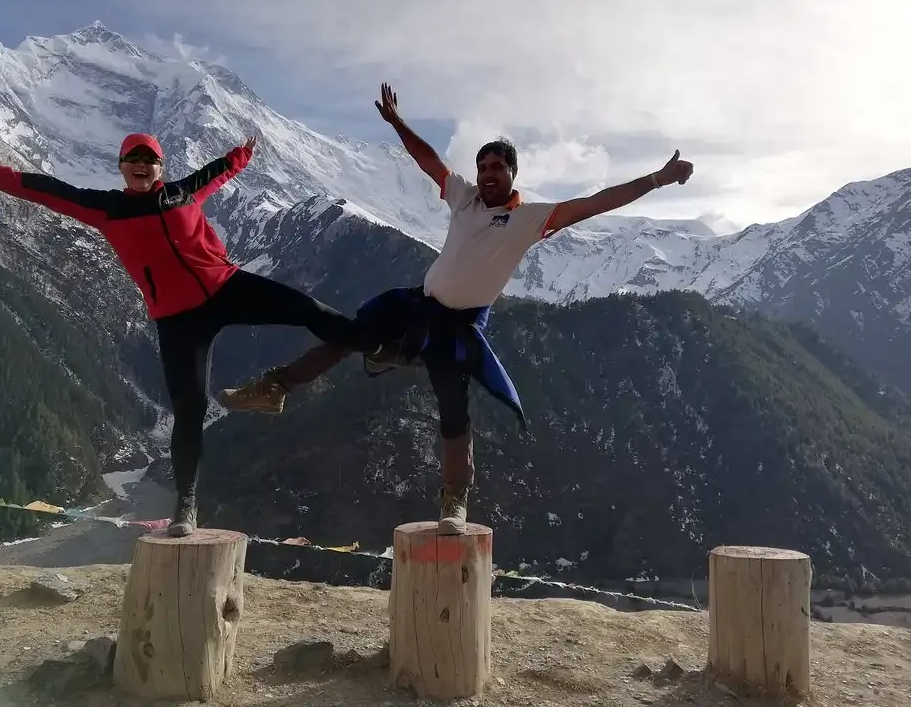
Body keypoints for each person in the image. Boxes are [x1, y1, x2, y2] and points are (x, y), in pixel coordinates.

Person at [216, 82, 695, 535]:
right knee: (346, 334)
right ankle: (277, 387)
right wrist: (398, 124)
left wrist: (657, 178)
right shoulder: (464, 198)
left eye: (497, 168)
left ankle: (454, 497)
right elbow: (430, 161)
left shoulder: (530, 219)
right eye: (483, 166)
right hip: (416, 303)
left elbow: (597, 202)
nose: (487, 174)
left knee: (452, 407)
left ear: (512, 175)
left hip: (459, 325)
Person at [0, 133, 382, 537]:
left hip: (227, 287)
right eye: (132, 158)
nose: (140, 164)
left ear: (161, 166)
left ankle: (379, 346)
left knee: (310, 310)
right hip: (178, 319)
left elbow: (222, 169)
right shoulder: (107, 208)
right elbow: (38, 187)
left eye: (148, 158)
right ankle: (186, 505)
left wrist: (245, 152)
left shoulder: (182, 192)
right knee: (189, 411)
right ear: (120, 167)